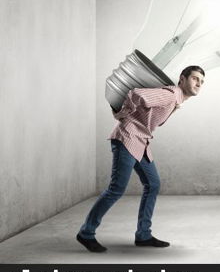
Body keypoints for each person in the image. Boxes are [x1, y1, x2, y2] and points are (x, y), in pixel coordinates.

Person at [76, 65, 205, 253]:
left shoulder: (176, 101)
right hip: (127, 138)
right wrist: (121, 114)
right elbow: (136, 94)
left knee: (153, 184)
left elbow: (149, 114)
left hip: (140, 142)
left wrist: (174, 109)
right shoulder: (171, 94)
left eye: (201, 82)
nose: (199, 84)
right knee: (116, 189)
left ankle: (143, 235)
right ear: (182, 79)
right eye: (195, 79)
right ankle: (86, 233)